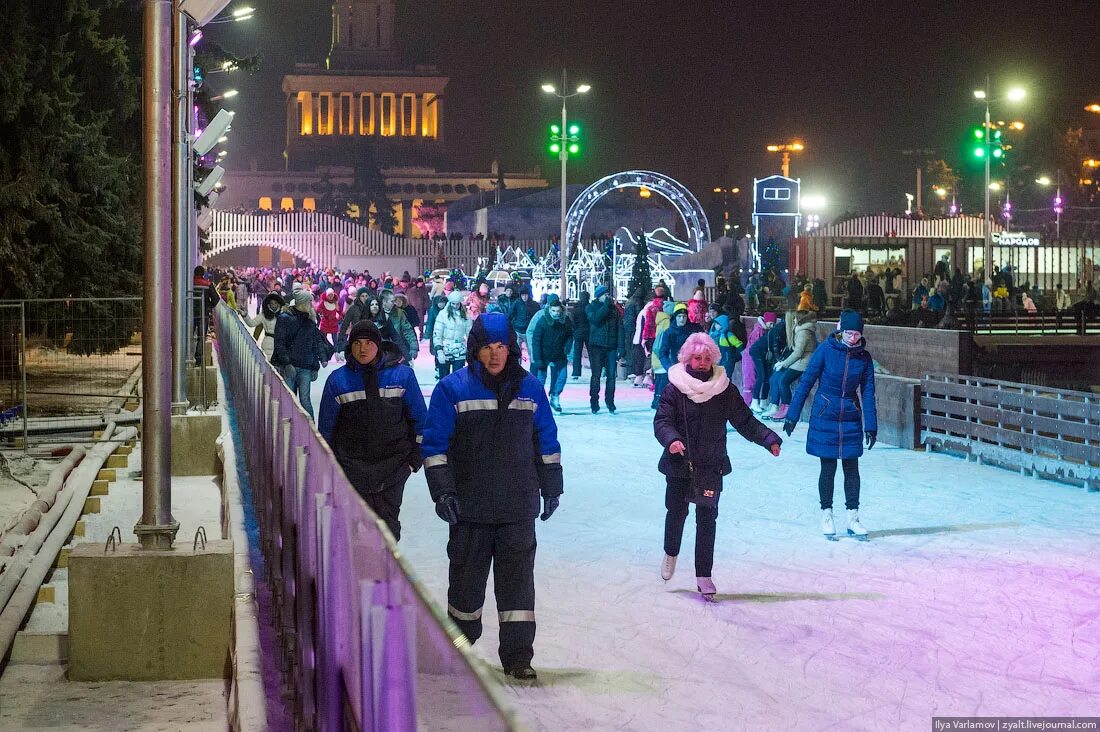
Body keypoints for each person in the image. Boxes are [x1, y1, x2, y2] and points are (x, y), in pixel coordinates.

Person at [421, 312, 563, 681]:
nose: (495, 355)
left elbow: (545, 438)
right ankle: (459, 652)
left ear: (511, 349)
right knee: (465, 588)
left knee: (517, 589)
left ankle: (518, 657)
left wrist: (552, 485)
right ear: (475, 350)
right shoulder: (452, 389)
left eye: (501, 347)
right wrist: (443, 492)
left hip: (517, 506)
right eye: (487, 347)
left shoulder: (529, 388)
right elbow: (435, 446)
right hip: (470, 508)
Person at [653, 333, 782, 600]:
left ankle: (704, 574)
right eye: (697, 358)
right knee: (676, 512)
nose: (701, 363)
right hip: (680, 463)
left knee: (707, 520)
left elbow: (745, 421)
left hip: (711, 464)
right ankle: (671, 552)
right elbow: (662, 420)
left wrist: (768, 438)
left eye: (706, 358)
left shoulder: (724, 389)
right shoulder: (674, 387)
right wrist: (672, 440)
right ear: (687, 359)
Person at [317, 321, 426, 541]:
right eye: (357, 343)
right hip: (352, 470)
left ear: (379, 345)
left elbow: (420, 420)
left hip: (393, 468)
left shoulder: (402, 376)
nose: (363, 348)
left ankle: (385, 573)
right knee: (355, 532)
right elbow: (326, 429)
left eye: (368, 343)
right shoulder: (338, 381)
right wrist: (330, 466)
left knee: (388, 531)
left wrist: (414, 459)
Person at [783, 311, 877, 541]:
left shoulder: (864, 358)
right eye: (848, 333)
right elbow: (806, 381)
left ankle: (853, 518)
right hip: (826, 412)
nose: (852, 338)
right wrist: (792, 414)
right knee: (828, 467)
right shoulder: (825, 350)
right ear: (840, 329)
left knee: (851, 468)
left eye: (856, 334)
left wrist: (871, 425)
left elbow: (867, 392)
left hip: (850, 416)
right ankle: (827, 514)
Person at [272, 290, 333, 420]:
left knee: (305, 400)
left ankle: (310, 430)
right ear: (302, 302)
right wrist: (287, 363)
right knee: (290, 399)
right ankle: (288, 426)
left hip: (305, 367)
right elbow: (280, 343)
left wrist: (315, 367)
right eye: (309, 301)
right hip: (290, 367)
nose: (311, 304)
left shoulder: (310, 322)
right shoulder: (285, 319)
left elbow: (313, 345)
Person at [762, 310, 818, 420]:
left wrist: (784, 364)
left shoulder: (804, 332)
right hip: (799, 361)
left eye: (795, 318)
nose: (793, 320)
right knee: (778, 378)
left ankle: (786, 408)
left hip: (804, 363)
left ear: (800, 319)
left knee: (783, 381)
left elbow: (798, 353)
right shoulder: (800, 330)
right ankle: (779, 406)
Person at [530, 296, 573, 413]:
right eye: (553, 311)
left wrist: (567, 347)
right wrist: (537, 358)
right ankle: (538, 401)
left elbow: (570, 334)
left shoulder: (565, 321)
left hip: (559, 354)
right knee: (540, 380)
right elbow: (536, 339)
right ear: (549, 310)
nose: (556, 313)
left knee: (562, 377)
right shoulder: (543, 321)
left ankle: (555, 396)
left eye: (558, 311)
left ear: (561, 310)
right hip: (544, 354)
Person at [585, 285, 624, 414]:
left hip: (611, 347)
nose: (607, 297)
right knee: (596, 376)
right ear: (598, 296)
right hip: (596, 346)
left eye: (608, 294)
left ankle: (610, 402)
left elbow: (620, 328)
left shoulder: (614, 310)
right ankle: (594, 402)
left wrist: (621, 347)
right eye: (604, 294)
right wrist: (606, 306)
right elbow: (595, 319)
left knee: (611, 376)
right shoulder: (591, 307)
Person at [432, 290, 473, 379]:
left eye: (457, 304)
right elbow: (437, 333)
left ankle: (456, 393)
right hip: (445, 349)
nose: (455, 306)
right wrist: (439, 350)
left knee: (458, 379)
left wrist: (471, 349)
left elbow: (470, 333)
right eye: (453, 304)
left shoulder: (465, 316)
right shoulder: (443, 315)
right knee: (444, 379)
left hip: (460, 350)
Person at [748, 312, 780, 411]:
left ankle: (763, 400)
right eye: (770, 323)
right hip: (757, 354)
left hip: (764, 356)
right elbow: (755, 346)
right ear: (765, 322)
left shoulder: (769, 331)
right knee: (761, 376)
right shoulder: (759, 330)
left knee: (767, 377)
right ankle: (754, 401)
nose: (772, 326)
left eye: (774, 324)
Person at [242, 292, 285, 361]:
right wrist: (245, 316)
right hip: (268, 345)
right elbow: (252, 323)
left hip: (281, 344)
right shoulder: (264, 315)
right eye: (272, 303)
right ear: (268, 304)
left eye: (275, 303)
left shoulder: (284, 315)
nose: (274, 305)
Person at [192, 265, 220, 366]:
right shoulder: (208, 284)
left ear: (194, 273)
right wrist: (209, 307)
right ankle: (198, 359)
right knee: (201, 336)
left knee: (188, 335)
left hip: (190, 314)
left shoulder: (189, 284)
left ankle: (186, 355)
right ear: (203, 274)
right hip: (203, 314)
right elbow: (216, 298)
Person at [379, 290, 419, 360]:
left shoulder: (399, 313)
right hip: (382, 349)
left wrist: (414, 347)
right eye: (392, 301)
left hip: (398, 348)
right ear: (384, 302)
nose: (394, 303)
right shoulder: (377, 314)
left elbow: (408, 330)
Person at [570, 291, 590, 379]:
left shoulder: (576, 308)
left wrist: (574, 330)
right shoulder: (589, 307)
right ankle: (595, 370)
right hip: (589, 332)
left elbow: (572, 320)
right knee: (592, 353)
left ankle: (576, 372)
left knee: (577, 353)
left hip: (578, 332)